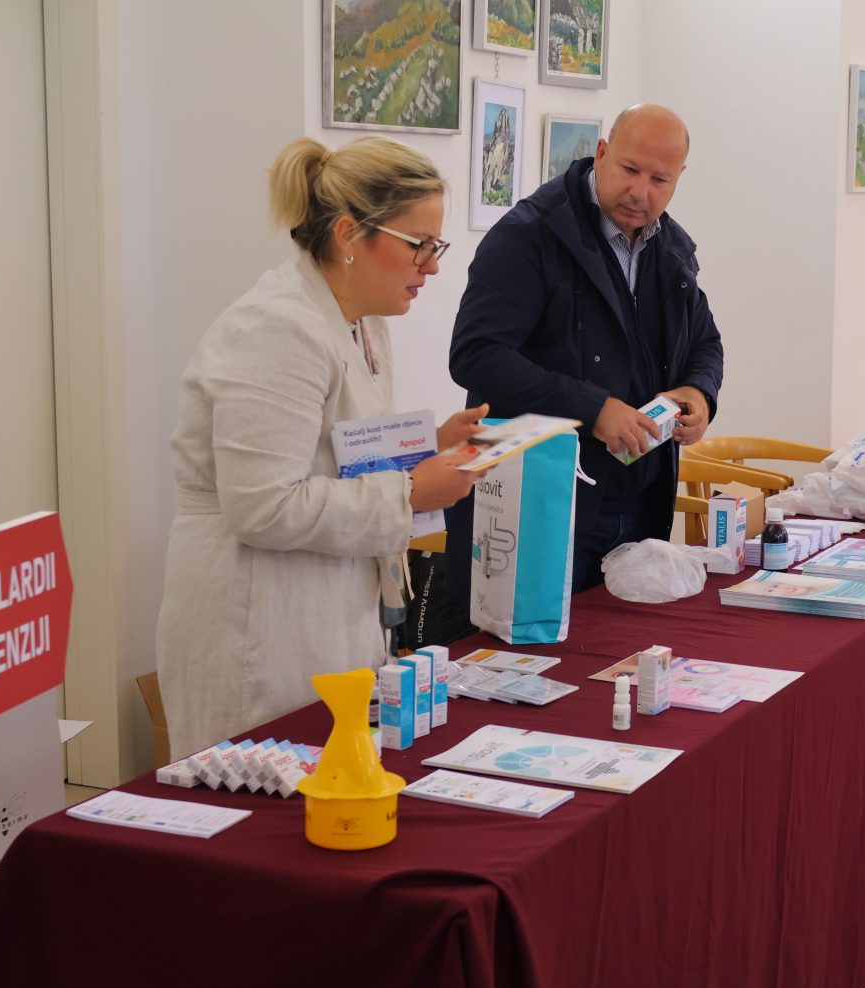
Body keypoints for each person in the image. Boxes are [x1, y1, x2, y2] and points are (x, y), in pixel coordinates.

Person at [156, 136, 486, 759]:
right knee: (259, 796)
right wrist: (411, 492)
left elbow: (338, 451)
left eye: (436, 247)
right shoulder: (276, 329)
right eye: (419, 245)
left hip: (328, 605)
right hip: (257, 619)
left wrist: (427, 447)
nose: (432, 267)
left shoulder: (363, 320)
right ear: (347, 235)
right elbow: (263, 505)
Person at [447, 103, 724, 593]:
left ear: (679, 177)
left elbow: (705, 340)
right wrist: (592, 408)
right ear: (600, 153)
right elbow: (476, 354)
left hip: (639, 504)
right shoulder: (528, 235)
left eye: (659, 180)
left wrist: (698, 393)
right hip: (537, 504)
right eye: (629, 169)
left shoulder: (670, 247)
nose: (640, 192)